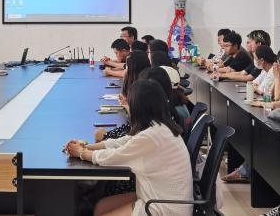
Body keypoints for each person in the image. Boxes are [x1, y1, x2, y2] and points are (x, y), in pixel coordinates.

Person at [64, 79, 192, 216]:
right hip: (159, 197)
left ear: (138, 107)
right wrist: (88, 147)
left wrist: (82, 152)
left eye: (129, 103)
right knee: (101, 206)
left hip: (163, 207)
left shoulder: (152, 136)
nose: (127, 107)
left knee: (101, 210)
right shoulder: (160, 127)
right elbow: (126, 142)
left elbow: (114, 157)